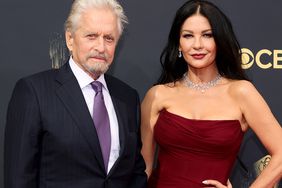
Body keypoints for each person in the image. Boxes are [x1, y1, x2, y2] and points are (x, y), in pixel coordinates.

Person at [4, 0, 147, 188]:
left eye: (109, 38)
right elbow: (19, 179)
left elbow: (135, 174)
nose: (101, 47)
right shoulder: (34, 92)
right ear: (70, 39)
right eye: (91, 36)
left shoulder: (127, 97)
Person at [141, 0, 282, 187]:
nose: (197, 45)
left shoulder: (241, 92)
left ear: (219, 41)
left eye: (207, 35)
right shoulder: (158, 95)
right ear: (179, 43)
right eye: (188, 36)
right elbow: (143, 168)